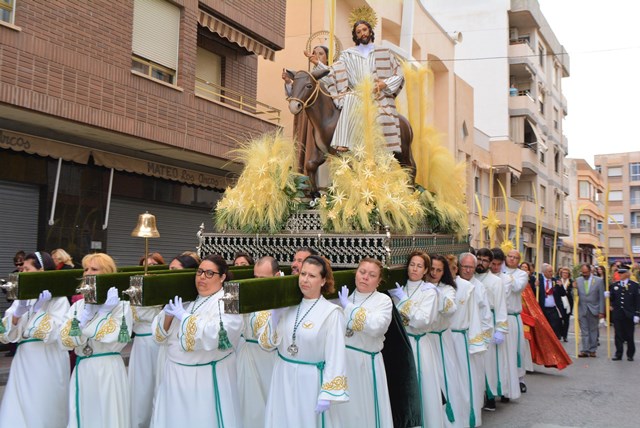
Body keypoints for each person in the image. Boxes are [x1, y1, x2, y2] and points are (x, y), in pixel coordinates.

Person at [151, 254, 243, 427]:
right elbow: (159, 336)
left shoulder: (228, 300)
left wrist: (185, 318)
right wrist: (169, 316)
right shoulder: (188, 298)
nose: (202, 277)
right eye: (200, 272)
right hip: (174, 375)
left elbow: (220, 333)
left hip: (203, 378)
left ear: (222, 277)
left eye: (209, 273)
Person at [257, 255, 348, 427]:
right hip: (282, 376)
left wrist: (329, 393)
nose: (305, 280)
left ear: (323, 281)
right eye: (303, 274)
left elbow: (336, 354)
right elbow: (266, 344)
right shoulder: (287, 306)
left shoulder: (331, 312)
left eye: (312, 276)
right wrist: (274, 317)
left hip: (310, 382)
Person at [59, 253, 133, 428]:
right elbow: (65, 340)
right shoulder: (78, 306)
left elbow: (114, 336)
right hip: (83, 367)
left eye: (94, 269)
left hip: (107, 368)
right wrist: (85, 317)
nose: (88, 273)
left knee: (107, 414)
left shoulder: (121, 305)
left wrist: (102, 313)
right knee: (83, 414)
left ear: (106, 273)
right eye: (85, 269)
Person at [0, 251, 70, 427]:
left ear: (42, 270)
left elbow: (58, 331)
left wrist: (39, 311)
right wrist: (17, 315)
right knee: (19, 401)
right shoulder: (22, 296)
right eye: (21, 268)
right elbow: (5, 332)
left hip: (47, 356)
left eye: (27, 268)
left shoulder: (58, 298)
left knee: (43, 401)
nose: (22, 272)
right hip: (24, 357)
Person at [320, 20, 404, 153]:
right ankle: (344, 143)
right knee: (349, 97)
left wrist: (383, 84)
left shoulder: (384, 52)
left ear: (370, 31)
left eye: (364, 30)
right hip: (357, 93)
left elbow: (399, 74)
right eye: (358, 32)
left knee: (383, 118)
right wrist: (318, 65)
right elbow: (334, 72)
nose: (362, 33)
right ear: (355, 36)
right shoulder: (348, 54)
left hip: (378, 95)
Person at [334, 257, 393, 427]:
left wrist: (348, 308)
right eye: (362, 272)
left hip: (366, 363)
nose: (365, 277)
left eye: (372, 275)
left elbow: (377, 327)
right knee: (346, 412)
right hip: (343, 362)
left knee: (365, 410)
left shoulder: (383, 301)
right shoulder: (345, 297)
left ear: (379, 281)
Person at [237, 256, 280, 428]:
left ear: (276, 277)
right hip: (246, 358)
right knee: (246, 406)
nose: (257, 283)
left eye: (262, 279)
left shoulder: (283, 298)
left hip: (269, 362)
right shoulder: (248, 293)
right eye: (255, 278)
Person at [425, 255, 462, 426]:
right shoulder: (418, 286)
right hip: (424, 340)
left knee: (444, 377)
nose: (434, 273)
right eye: (431, 268)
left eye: (439, 270)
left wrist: (435, 293)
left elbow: (450, 308)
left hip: (440, 339)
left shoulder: (448, 289)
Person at [458, 252, 492, 427]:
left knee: (475, 377)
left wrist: (483, 340)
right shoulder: (453, 285)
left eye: (471, 267)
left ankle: (475, 410)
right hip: (456, 338)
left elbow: (486, 315)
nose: (468, 270)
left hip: (474, 339)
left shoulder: (479, 287)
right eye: (465, 266)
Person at [475, 248, 508, 412]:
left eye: (485, 260)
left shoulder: (496, 281)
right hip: (474, 322)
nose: (481, 263)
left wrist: (500, 329)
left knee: (489, 363)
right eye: (479, 259)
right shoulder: (471, 277)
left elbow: (501, 305)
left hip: (491, 323)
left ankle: (490, 396)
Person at [498, 249, 529, 400]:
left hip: (513, 317)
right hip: (500, 316)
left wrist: (506, 277)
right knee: (503, 353)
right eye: (509, 256)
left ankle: (519, 378)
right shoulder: (499, 272)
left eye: (515, 257)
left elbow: (517, 287)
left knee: (517, 350)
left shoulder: (522, 274)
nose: (511, 259)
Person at [605, 264, 640, 361]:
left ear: (628, 274)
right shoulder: (615, 285)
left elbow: (637, 301)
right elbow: (613, 299)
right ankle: (618, 353)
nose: (620, 274)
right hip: (618, 314)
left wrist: (637, 314)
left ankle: (630, 354)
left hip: (629, 314)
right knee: (618, 335)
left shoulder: (634, 285)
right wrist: (609, 295)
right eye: (619, 272)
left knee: (629, 335)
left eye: (622, 273)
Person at [575, 264, 605, 358]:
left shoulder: (599, 281)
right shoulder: (578, 280)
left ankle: (593, 350)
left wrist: (601, 311)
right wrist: (574, 288)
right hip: (582, 309)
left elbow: (601, 297)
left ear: (590, 271)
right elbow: (575, 296)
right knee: (584, 331)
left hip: (594, 309)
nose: (584, 274)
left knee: (593, 330)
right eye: (583, 272)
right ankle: (585, 350)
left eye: (586, 272)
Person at [532, 263, 567, 340]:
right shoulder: (539, 281)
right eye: (549, 271)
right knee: (544, 329)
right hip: (543, 309)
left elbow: (563, 294)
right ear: (544, 272)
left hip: (553, 309)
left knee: (555, 329)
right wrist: (535, 286)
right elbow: (534, 295)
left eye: (552, 271)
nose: (551, 273)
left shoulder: (555, 281)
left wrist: (561, 286)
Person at [557, 266, 574, 342]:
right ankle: (560, 333)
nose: (565, 274)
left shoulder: (570, 282)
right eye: (563, 273)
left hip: (568, 302)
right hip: (560, 302)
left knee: (566, 320)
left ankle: (565, 335)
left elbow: (571, 291)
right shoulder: (558, 280)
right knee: (560, 319)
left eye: (566, 273)